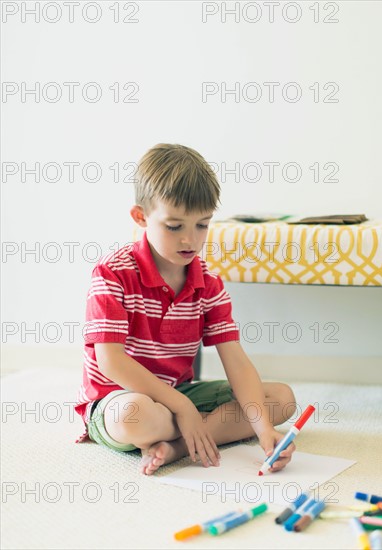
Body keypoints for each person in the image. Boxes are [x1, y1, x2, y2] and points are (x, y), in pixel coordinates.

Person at [74, 143, 297, 475]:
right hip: (120, 399)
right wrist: (182, 408)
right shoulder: (112, 273)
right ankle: (189, 428)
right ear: (141, 217)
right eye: (175, 226)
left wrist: (265, 432)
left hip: (178, 395)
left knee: (281, 399)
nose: (190, 240)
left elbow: (235, 359)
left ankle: (177, 446)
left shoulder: (208, 283)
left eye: (202, 225)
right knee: (134, 416)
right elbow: (111, 361)